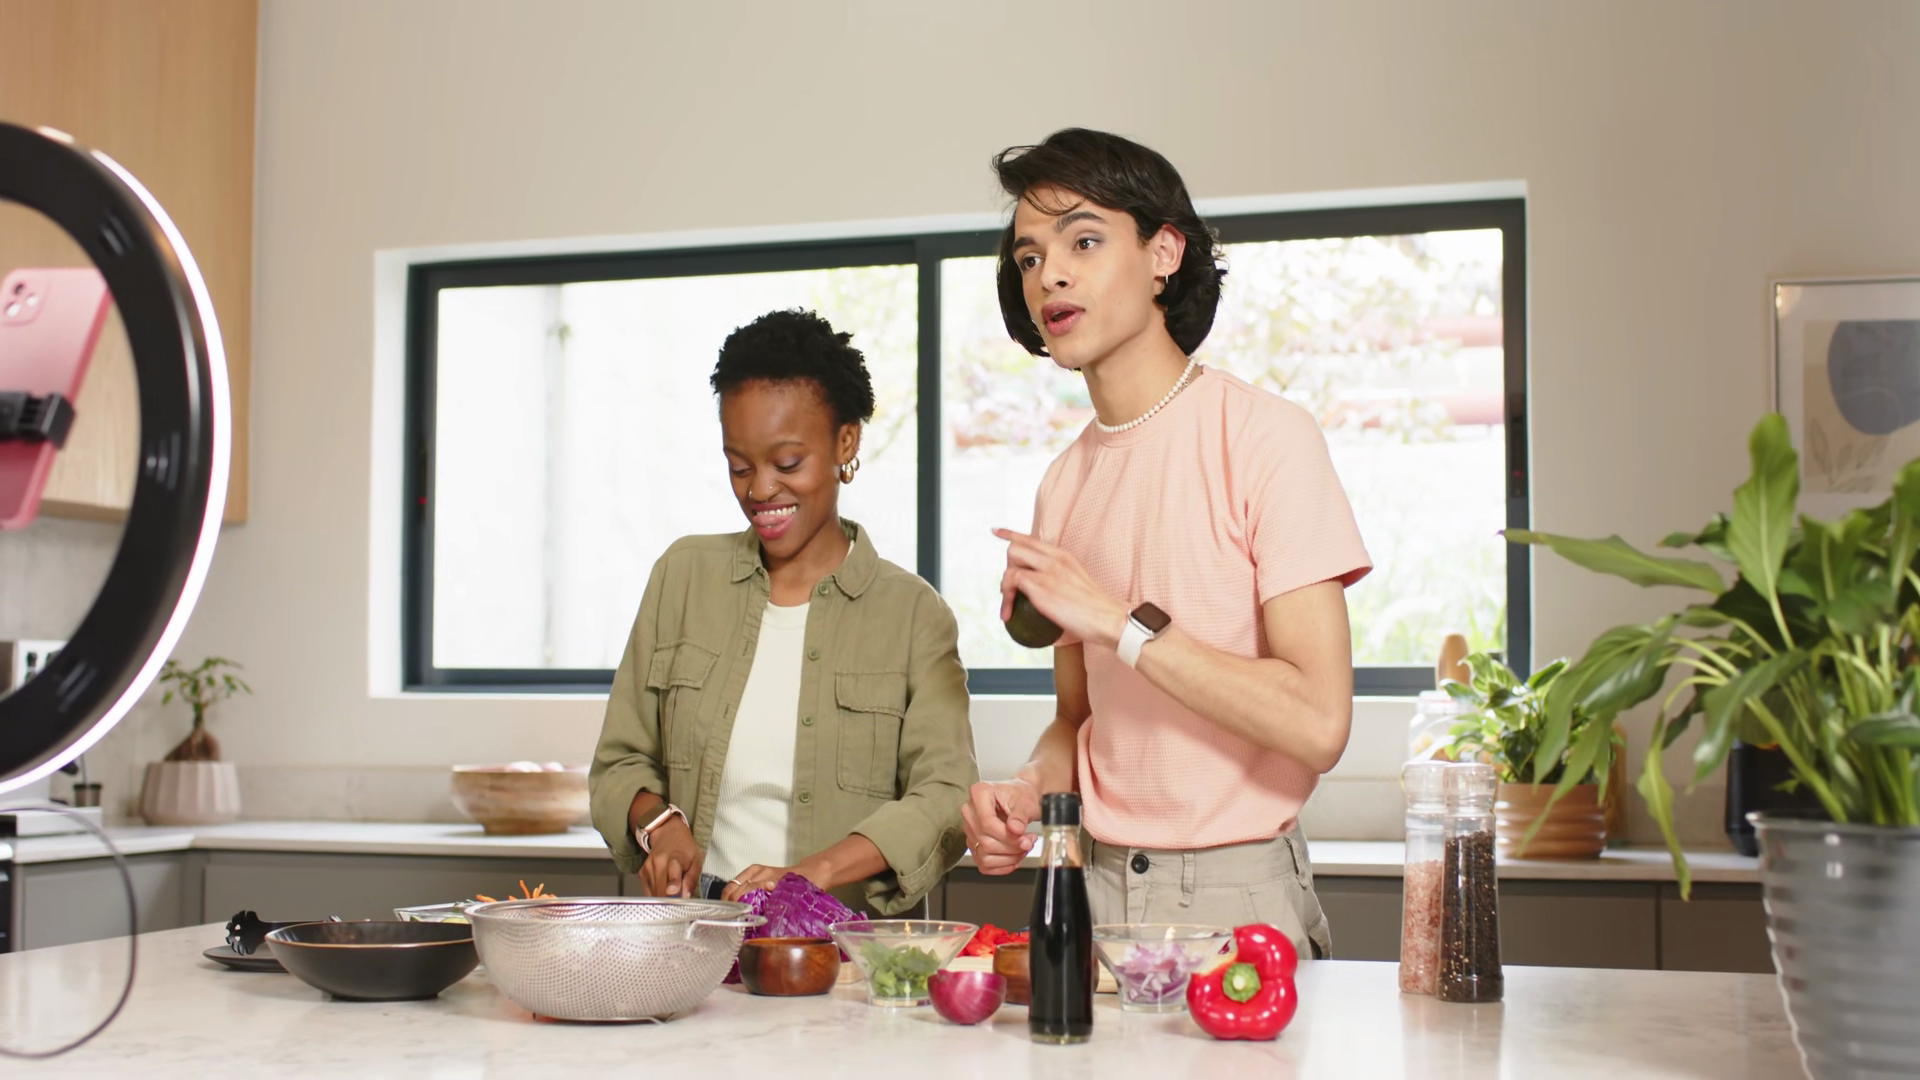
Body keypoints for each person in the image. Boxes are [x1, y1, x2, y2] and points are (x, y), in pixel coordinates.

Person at [960, 129, 1372, 959]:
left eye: (1083, 241)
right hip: (1094, 885)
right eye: (1030, 257)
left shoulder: (1266, 438)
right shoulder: (1063, 485)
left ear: (1163, 253)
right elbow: (1078, 721)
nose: (1050, 276)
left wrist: (1119, 623)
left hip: (1237, 895)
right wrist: (1027, 791)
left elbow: (1319, 722)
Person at [590, 309, 976, 916]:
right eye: (739, 466)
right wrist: (660, 826)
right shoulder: (682, 578)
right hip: (697, 935)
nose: (760, 490)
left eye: (787, 463)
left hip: (845, 951)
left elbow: (946, 796)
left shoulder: (913, 615)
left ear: (845, 443)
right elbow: (620, 762)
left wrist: (812, 875)